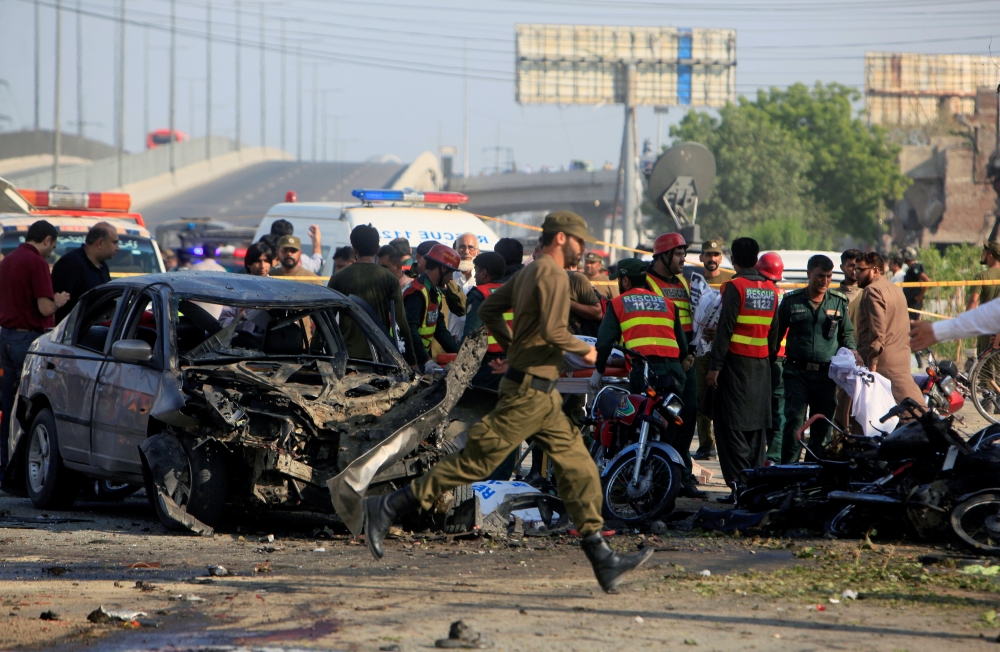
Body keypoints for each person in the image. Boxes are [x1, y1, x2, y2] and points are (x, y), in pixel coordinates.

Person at [362, 211, 655, 594]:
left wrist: (514, 345)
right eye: (581, 242)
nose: (584, 252)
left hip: (540, 392)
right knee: (476, 462)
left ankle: (602, 558)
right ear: (563, 238)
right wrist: (586, 354)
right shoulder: (549, 274)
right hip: (528, 392)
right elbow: (553, 331)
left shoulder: (529, 274)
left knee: (579, 468)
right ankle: (385, 508)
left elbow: (488, 311)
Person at [591, 258, 704, 499]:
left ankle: (632, 482)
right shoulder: (667, 303)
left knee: (637, 427)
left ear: (624, 280)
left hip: (645, 374)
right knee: (670, 429)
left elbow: (604, 342)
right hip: (674, 373)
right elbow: (681, 348)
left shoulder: (619, 302)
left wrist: (598, 371)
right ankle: (667, 485)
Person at [706, 237, 779, 502]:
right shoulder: (771, 289)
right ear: (757, 259)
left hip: (735, 367)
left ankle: (738, 488)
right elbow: (774, 333)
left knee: (729, 426)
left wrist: (714, 368)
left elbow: (724, 331)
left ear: (732, 259)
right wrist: (766, 360)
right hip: (761, 366)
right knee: (756, 429)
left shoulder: (735, 287)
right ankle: (753, 489)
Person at [770, 255, 857, 463]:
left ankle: (814, 471)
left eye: (828, 276)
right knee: (794, 422)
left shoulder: (838, 302)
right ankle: (788, 471)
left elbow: (846, 335)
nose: (824, 281)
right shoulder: (792, 301)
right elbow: (775, 336)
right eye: (820, 276)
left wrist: (853, 351)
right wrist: (769, 363)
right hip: (796, 373)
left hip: (826, 375)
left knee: (822, 425)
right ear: (809, 274)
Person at [0, 220, 69, 471]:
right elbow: (44, 308)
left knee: (8, 405)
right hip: (27, 340)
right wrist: (58, 301)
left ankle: (5, 463)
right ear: (47, 239)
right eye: (53, 245)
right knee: (31, 405)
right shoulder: (37, 263)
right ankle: (22, 467)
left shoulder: (7, 261)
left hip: (5, 338)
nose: (51, 251)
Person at [646, 232, 700, 489]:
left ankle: (682, 473)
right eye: (678, 254)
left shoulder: (683, 283)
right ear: (663, 256)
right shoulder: (646, 283)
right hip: (662, 363)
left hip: (686, 361)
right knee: (664, 422)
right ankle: (661, 474)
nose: (683, 259)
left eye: (683, 254)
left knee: (688, 416)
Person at [330, 224, 417, 367]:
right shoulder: (390, 278)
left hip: (348, 358)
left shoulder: (338, 278)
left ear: (354, 249)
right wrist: (412, 362)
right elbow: (401, 323)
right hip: (380, 358)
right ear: (377, 249)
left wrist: (314, 353)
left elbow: (328, 318)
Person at [855, 252, 925, 407]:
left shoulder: (872, 291)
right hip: (901, 359)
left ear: (875, 271)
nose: (856, 274)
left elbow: (877, 330)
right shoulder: (894, 289)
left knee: (912, 412)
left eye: (860, 270)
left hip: (883, 365)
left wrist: (872, 362)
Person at [689, 239, 730, 461]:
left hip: (724, 350)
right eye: (708, 255)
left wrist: (721, 334)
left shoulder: (730, 281)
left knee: (724, 398)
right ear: (701, 258)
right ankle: (706, 444)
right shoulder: (694, 283)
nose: (712, 259)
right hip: (701, 351)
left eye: (716, 255)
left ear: (720, 258)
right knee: (701, 396)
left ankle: (724, 443)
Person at [403, 244, 461, 371]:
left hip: (421, 358)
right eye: (450, 272)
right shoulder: (416, 292)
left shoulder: (434, 292)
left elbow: (440, 330)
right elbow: (410, 330)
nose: (451, 277)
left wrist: (461, 355)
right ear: (441, 268)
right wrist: (426, 360)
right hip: (409, 360)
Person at [51, 221, 118, 323]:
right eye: (114, 242)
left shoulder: (102, 266)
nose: (118, 248)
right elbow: (60, 305)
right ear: (100, 243)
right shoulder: (70, 264)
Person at [755, 252, 786, 463]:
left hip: (762, 359)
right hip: (781, 360)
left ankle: (761, 456)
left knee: (759, 409)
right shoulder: (784, 296)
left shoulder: (759, 295)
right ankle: (773, 456)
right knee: (778, 411)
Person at [463, 251, 509, 389]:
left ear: (483, 273)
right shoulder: (511, 292)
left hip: (486, 362)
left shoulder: (480, 294)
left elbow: (471, 333)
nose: (475, 276)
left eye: (476, 271)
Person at [966, 241, 1000, 356]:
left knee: (984, 368)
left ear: (990, 256)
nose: (981, 254)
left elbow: (973, 302)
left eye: (984, 252)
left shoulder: (982, 277)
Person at [448, 233, 480, 341]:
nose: (466, 252)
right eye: (462, 247)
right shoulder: (448, 277)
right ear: (455, 250)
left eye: (471, 247)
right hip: (448, 342)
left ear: (477, 251)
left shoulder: (482, 279)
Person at [902, 247, 930, 320]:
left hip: (914, 302)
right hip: (910, 301)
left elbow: (927, 280)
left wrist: (920, 296)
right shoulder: (911, 269)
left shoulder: (914, 269)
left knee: (913, 324)